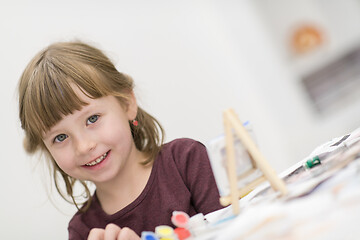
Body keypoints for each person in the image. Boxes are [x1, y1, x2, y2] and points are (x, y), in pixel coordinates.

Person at [18, 41, 223, 240]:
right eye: (60, 137)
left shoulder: (186, 162)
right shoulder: (82, 232)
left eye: (92, 119)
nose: (83, 146)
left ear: (126, 103)